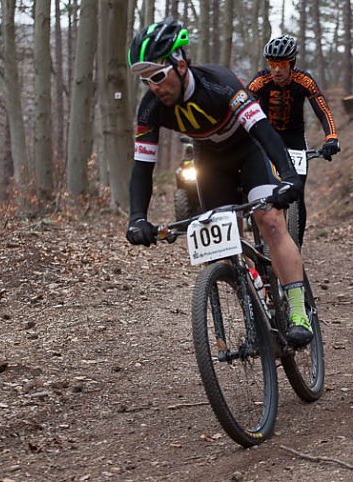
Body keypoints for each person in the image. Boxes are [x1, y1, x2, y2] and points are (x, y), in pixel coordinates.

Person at [125, 19, 313, 346]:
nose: (153, 87)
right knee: (222, 248)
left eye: (157, 76)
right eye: (145, 80)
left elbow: (264, 132)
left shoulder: (221, 84)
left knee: (269, 220)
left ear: (180, 65)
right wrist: (137, 217)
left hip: (249, 150)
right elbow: (142, 167)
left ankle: (298, 311)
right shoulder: (151, 108)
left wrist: (290, 177)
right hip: (211, 162)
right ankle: (254, 312)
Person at [247, 35, 340, 247]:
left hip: (295, 139)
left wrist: (331, 138)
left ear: (292, 64)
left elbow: (323, 110)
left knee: (297, 194)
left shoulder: (304, 80)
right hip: (268, 136)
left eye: (281, 64)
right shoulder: (260, 81)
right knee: (259, 186)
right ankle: (259, 238)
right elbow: (242, 107)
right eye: (272, 65)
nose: (277, 70)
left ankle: (295, 247)